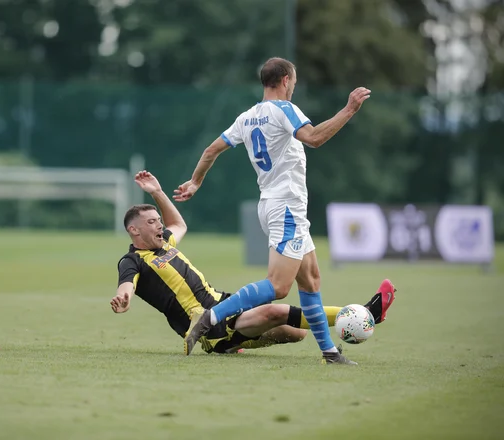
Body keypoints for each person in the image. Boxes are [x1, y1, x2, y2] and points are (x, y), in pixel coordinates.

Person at [174, 57, 395, 364]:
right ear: (286, 80)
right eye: (294, 80)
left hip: (276, 205)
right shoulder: (284, 109)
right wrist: (349, 110)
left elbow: (211, 150)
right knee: (278, 287)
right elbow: (314, 138)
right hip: (286, 207)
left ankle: (330, 353)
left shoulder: (246, 117)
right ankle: (211, 317)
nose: (294, 86)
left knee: (312, 281)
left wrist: (195, 182)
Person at [112, 171, 391, 355]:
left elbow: (177, 223)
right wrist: (122, 298)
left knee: (296, 334)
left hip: (223, 303)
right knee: (274, 312)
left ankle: (233, 344)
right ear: (134, 231)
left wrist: (157, 192)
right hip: (208, 326)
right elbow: (126, 286)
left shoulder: (164, 244)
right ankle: (363, 313)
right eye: (151, 222)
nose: (160, 226)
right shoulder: (133, 261)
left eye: (158, 221)